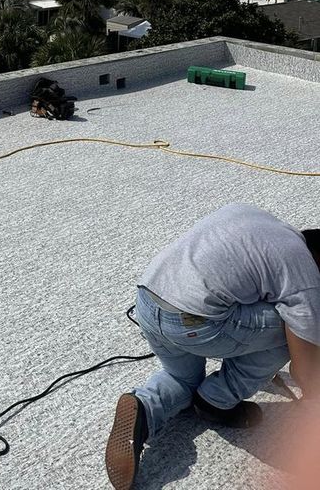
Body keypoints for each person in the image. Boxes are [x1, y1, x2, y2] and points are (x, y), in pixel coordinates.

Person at [104, 204, 320, 490]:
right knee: (293, 329)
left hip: (148, 301)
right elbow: (305, 367)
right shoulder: (304, 275)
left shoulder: (257, 218)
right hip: (192, 322)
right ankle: (217, 399)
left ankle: (143, 406)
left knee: (181, 378)